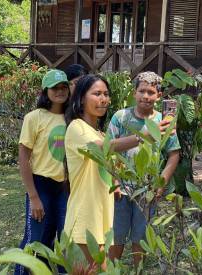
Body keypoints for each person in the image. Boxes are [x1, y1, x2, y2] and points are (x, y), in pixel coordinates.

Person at [63, 74, 162, 269]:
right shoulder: (76, 127)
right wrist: (144, 136)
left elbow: (110, 162)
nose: (103, 99)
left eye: (106, 94)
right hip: (85, 222)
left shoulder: (97, 131)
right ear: (81, 97)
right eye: (97, 93)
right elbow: (102, 147)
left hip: (101, 222)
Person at [108, 71, 181, 268]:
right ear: (134, 93)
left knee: (141, 238)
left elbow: (174, 154)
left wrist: (161, 183)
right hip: (120, 189)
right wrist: (114, 181)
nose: (146, 96)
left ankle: (137, 271)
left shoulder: (163, 121)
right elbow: (109, 149)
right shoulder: (121, 118)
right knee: (117, 236)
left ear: (158, 96)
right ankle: (111, 271)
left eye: (151, 92)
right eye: (142, 91)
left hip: (148, 190)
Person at [15, 69, 70, 275]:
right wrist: (34, 197)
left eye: (63, 87)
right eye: (55, 88)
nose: (60, 91)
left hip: (66, 187)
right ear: (45, 91)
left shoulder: (73, 118)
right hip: (41, 185)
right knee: (35, 240)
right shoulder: (34, 117)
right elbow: (23, 157)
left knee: (66, 240)